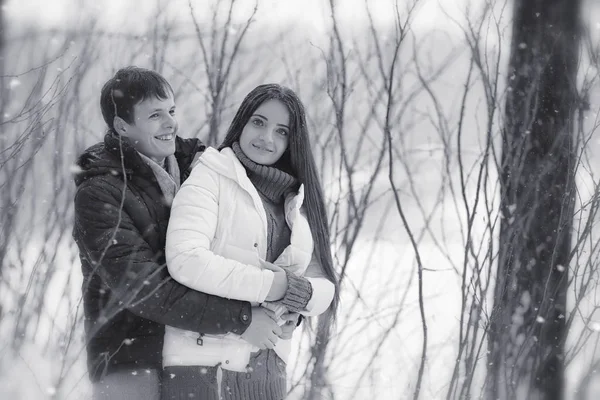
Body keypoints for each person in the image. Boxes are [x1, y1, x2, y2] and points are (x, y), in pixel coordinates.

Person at [72, 67, 281, 400]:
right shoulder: (99, 194)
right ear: (122, 126)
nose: (170, 123)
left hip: (196, 351)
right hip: (131, 359)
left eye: (171, 111)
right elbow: (143, 287)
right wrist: (240, 319)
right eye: (155, 115)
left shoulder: (200, 166)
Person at [162, 83, 340, 400]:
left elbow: (323, 283)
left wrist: (299, 300)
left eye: (281, 131)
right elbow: (186, 259)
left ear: (292, 141)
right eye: (259, 122)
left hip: (267, 373)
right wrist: (277, 287)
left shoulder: (297, 199)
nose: (266, 138)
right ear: (242, 122)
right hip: (203, 368)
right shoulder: (210, 175)